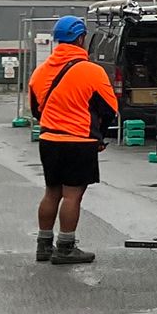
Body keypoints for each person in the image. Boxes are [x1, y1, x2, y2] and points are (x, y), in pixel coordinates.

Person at [28, 15, 119, 265]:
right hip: (78, 141)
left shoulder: (40, 72)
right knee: (72, 195)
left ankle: (43, 245)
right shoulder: (92, 71)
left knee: (51, 192)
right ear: (81, 39)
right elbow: (109, 108)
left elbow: (36, 110)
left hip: (49, 139)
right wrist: (97, 132)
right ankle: (66, 246)